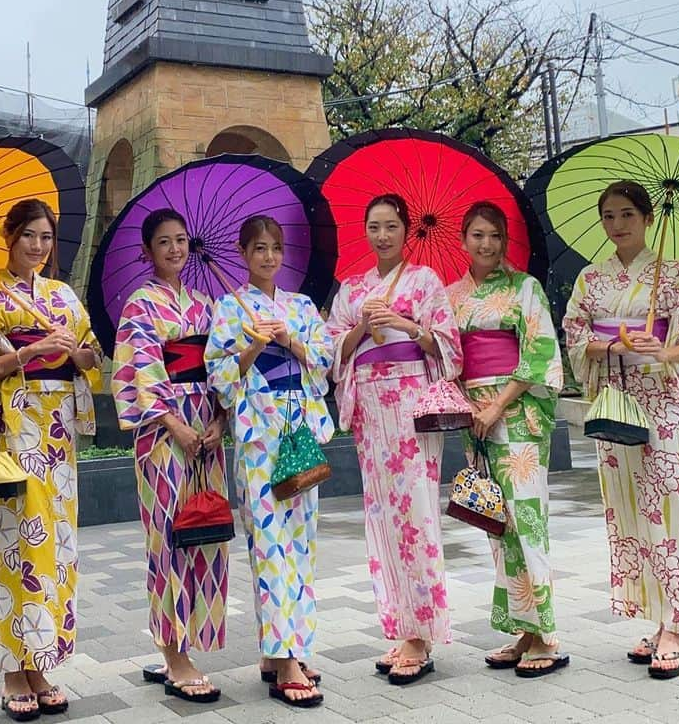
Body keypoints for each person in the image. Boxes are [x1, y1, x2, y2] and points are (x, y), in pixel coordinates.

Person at [563, 180, 679, 680]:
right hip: (618, 402)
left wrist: (662, 350)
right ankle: (656, 619)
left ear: (648, 218)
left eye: (628, 214)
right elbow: (574, 334)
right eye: (609, 216)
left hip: (664, 402)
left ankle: (676, 623)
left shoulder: (673, 275)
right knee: (630, 511)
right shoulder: (591, 279)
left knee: (672, 509)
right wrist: (608, 347)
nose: (618, 225)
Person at [0, 198, 103, 721]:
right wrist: (28, 353)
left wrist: (82, 358)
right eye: (29, 237)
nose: (38, 247)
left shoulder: (64, 296)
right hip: (15, 436)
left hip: (57, 436)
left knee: (57, 550)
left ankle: (41, 664)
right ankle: (12, 671)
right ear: (9, 236)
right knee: (15, 548)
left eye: (46, 238)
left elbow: (89, 357)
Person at [327, 193, 461, 685]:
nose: (382, 235)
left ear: (407, 230)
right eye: (374, 227)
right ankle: (400, 625)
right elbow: (332, 348)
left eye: (390, 226)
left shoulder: (425, 282)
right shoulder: (353, 287)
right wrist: (364, 324)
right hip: (370, 408)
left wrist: (406, 324)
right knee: (382, 517)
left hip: (413, 405)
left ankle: (422, 634)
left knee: (418, 514)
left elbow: (449, 347)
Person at [205, 215, 333, 709]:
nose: (269, 257)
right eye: (259, 248)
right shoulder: (228, 308)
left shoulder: (300, 306)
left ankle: (286, 648)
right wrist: (254, 344)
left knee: (300, 540)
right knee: (269, 541)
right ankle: (285, 659)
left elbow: (323, 362)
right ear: (243, 252)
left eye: (276, 248)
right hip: (259, 435)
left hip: (298, 428)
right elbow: (218, 376)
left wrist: (291, 341)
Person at [111, 208, 228, 703]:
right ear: (148, 251)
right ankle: (173, 651)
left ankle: (184, 643)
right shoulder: (139, 306)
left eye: (181, 240)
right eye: (165, 242)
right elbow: (140, 368)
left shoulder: (205, 305)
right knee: (167, 539)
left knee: (206, 534)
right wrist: (174, 424)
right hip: (163, 432)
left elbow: (220, 364)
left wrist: (221, 419)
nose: (175, 249)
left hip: (207, 430)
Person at [446, 201, 568, 678]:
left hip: (517, 413)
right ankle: (523, 630)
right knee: (498, 523)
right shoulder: (453, 295)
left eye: (495, 235)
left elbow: (540, 350)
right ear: (463, 240)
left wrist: (499, 402)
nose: (487, 244)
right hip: (474, 415)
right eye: (477, 235)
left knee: (526, 516)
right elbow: (448, 357)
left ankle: (546, 634)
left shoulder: (525, 288)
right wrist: (468, 403)